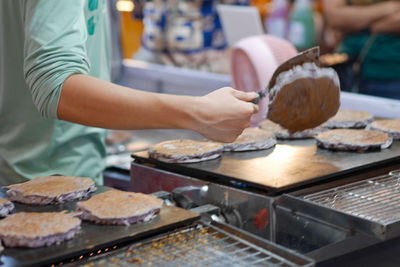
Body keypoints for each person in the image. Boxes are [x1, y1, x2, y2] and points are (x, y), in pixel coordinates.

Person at [0, 0, 259, 186]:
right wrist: (197, 112)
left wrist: (107, 118)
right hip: (44, 180)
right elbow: (55, 85)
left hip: (44, 164)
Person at [323, 0, 400, 99]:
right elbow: (334, 17)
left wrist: (359, 23)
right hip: (348, 71)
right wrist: (390, 7)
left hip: (392, 74)